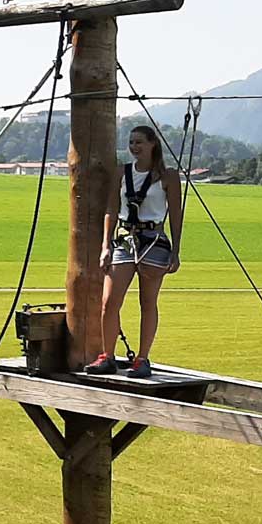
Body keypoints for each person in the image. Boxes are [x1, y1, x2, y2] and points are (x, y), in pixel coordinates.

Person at [84, 125, 184, 378]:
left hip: (154, 241)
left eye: (139, 142)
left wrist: (176, 251)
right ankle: (107, 356)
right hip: (125, 240)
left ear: (152, 144)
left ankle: (142, 359)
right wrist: (105, 246)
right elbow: (111, 210)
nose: (134, 147)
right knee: (109, 302)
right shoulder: (121, 173)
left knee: (147, 302)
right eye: (131, 142)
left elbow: (176, 215)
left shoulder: (168, 177)